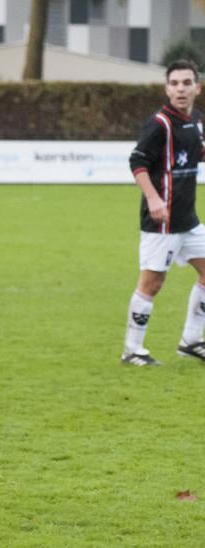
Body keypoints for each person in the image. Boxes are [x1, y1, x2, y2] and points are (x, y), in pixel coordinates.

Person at [122, 59, 205, 366]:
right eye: (174, 83)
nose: (180, 89)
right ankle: (132, 350)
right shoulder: (159, 124)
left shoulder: (196, 119)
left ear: (197, 87)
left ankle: (191, 340)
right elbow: (137, 162)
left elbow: (197, 151)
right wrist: (154, 199)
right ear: (166, 88)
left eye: (186, 83)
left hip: (189, 220)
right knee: (152, 284)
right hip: (162, 222)